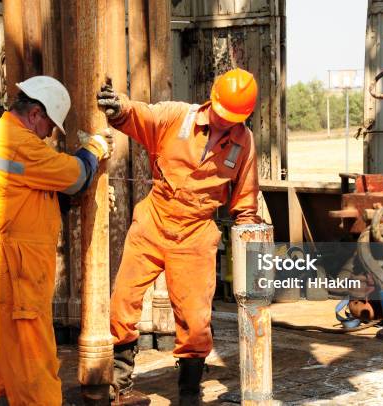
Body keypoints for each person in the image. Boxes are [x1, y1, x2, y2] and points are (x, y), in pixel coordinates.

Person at [98, 68, 262, 405]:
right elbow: (141, 115)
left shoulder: (244, 143)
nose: (222, 121)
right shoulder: (178, 116)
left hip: (197, 231)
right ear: (211, 101)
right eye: (219, 113)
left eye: (231, 118)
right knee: (122, 302)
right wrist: (120, 108)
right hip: (153, 220)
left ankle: (189, 393)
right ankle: (121, 384)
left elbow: (245, 198)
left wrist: (250, 236)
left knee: (195, 320)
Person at [0, 75, 113, 406]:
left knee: (1, 357)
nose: (49, 135)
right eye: (50, 127)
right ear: (35, 114)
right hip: (15, 266)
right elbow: (75, 177)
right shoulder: (17, 143)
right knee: (34, 362)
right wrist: (94, 149)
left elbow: (24, 196)